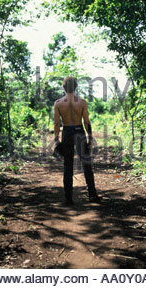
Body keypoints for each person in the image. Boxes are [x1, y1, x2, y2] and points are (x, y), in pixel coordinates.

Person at [53, 76, 101, 205]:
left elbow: (57, 123)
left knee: (68, 165)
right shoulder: (82, 102)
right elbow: (86, 121)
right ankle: (92, 195)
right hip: (79, 132)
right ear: (76, 87)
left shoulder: (58, 103)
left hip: (67, 132)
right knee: (86, 164)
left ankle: (68, 198)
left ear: (63, 87)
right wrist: (90, 137)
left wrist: (56, 139)